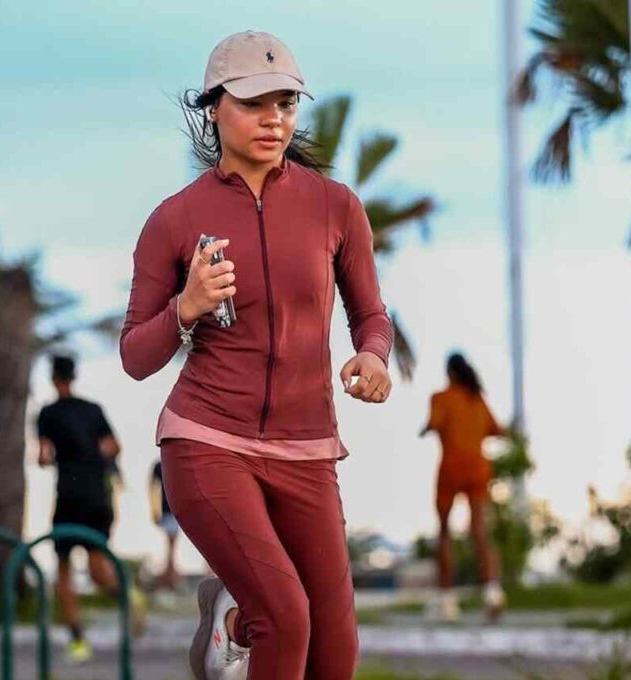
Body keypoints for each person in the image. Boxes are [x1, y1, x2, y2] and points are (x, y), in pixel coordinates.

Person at [120, 29, 393, 680]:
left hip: (307, 448)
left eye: (286, 104)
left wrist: (374, 357)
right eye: (254, 103)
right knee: (286, 617)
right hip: (207, 441)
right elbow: (134, 354)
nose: (274, 119)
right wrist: (184, 308)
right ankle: (246, 618)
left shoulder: (335, 207)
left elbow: (371, 315)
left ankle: (232, 622)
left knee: (335, 650)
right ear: (215, 106)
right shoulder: (175, 219)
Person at [37, 355, 127, 662]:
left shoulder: (47, 414)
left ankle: (77, 639)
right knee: (97, 567)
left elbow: (43, 456)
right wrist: (97, 456)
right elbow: (114, 446)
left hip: (69, 496)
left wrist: (57, 457)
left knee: (63, 568)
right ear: (73, 376)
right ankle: (127, 599)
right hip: (96, 495)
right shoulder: (93, 410)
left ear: (53, 378)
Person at [420, 353, 507, 622]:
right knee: (480, 531)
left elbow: (434, 423)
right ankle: (492, 592)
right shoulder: (477, 399)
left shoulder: (441, 398)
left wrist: (425, 429)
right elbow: (498, 430)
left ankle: (447, 600)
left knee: (445, 532)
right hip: (479, 468)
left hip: (452, 467)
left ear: (450, 373)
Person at [149, 459, 181, 591]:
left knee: (171, 546)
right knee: (171, 546)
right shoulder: (161, 465)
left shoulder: (165, 464)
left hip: (173, 509)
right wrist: (155, 511)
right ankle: (170, 577)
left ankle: (170, 575)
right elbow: (153, 489)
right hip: (169, 510)